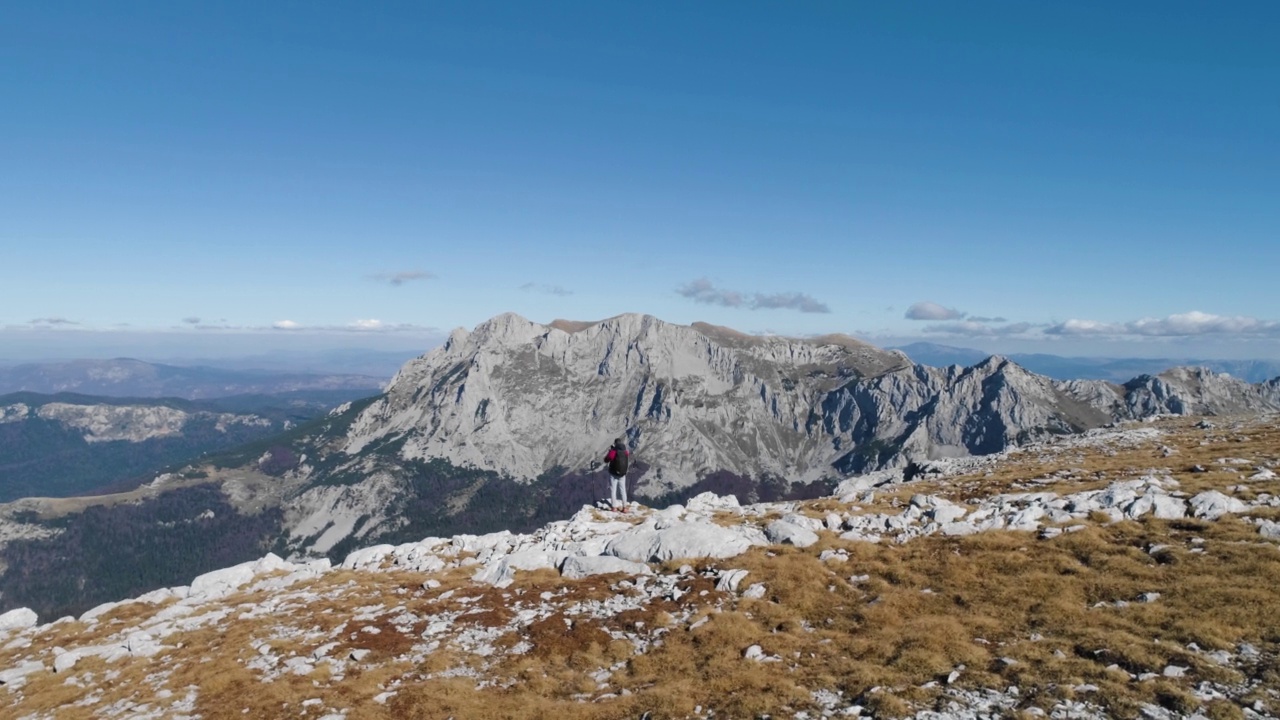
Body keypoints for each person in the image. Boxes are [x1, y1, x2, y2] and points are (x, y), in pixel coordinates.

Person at [603, 436, 630, 512]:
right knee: (623, 490)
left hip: (613, 473)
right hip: (622, 474)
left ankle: (614, 507)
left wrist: (611, 450)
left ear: (615, 444)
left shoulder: (614, 451)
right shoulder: (625, 452)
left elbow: (607, 459)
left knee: (613, 490)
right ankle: (625, 507)